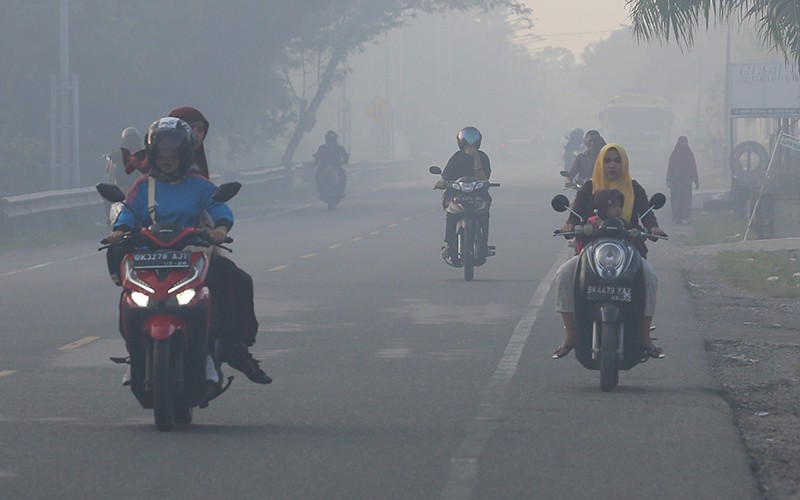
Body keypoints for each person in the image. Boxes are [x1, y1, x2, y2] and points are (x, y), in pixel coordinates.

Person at [106, 117, 272, 385]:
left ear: (184, 152)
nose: (167, 157)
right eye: (161, 151)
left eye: (173, 150)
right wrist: (119, 230)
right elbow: (127, 212)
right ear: (152, 152)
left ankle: (220, 351)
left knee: (234, 281)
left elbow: (219, 208)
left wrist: (219, 229)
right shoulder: (142, 186)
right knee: (130, 299)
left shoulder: (199, 185)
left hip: (193, 251)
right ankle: (134, 356)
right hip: (149, 255)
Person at [552, 143, 667, 360]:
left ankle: (644, 336)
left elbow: (647, 214)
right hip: (591, 254)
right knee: (564, 275)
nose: (612, 165)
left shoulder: (634, 188)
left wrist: (653, 227)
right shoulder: (589, 187)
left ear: (624, 164)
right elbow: (574, 216)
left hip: (630, 254)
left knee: (650, 277)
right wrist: (568, 226)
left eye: (617, 161)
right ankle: (571, 334)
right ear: (600, 163)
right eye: (607, 160)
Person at [436, 126, 491, 262]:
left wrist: (476, 159)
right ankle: (449, 245)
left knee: (484, 214)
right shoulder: (456, 157)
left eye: (473, 140)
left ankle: (484, 245)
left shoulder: (483, 157)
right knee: (451, 214)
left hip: (478, 194)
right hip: (457, 194)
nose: (470, 143)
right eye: (467, 139)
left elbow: (484, 178)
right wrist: (442, 182)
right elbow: (446, 176)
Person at [169, 106, 210, 178]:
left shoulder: (202, 181)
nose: (195, 134)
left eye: (200, 130)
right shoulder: (150, 181)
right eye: (189, 128)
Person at [666, 135, 699, 224]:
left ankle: (686, 217)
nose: (683, 144)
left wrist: (696, 180)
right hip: (675, 182)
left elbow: (693, 167)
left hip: (687, 182)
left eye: (685, 142)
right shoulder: (674, 154)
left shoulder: (689, 154)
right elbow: (670, 168)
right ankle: (677, 218)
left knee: (686, 200)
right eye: (682, 142)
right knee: (676, 201)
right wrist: (668, 180)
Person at [105, 127, 143, 194]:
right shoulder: (141, 155)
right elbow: (143, 176)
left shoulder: (115, 155)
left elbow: (111, 177)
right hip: (136, 192)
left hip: (121, 192)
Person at [313, 130, 349, 195]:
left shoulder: (322, 147)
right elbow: (345, 156)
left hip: (324, 166)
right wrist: (346, 161)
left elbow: (317, 157)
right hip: (336, 166)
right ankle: (341, 190)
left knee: (317, 175)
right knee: (343, 175)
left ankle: (320, 190)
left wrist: (315, 162)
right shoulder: (339, 147)